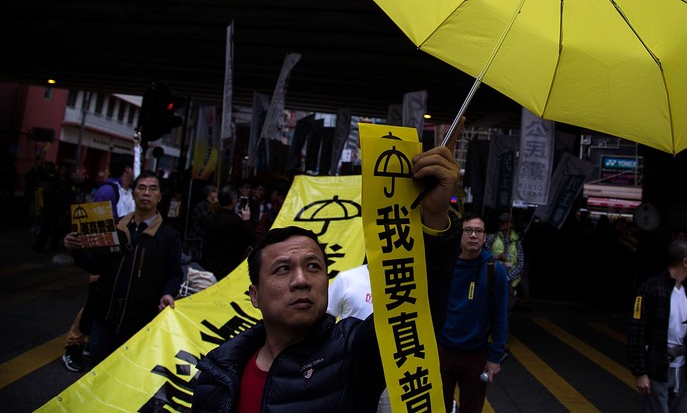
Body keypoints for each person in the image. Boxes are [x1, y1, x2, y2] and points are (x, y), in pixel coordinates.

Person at [192, 137, 462, 413]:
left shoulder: (355, 352)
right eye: (283, 269)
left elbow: (415, 309)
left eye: (313, 267)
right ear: (255, 295)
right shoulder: (217, 374)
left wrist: (434, 219)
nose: (302, 280)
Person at [63, 170, 183, 367]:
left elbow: (174, 274)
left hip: (141, 324)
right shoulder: (116, 227)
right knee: (96, 376)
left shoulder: (169, 236)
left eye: (153, 189)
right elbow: (96, 265)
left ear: (159, 197)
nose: (146, 193)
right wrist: (75, 250)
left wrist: (168, 293)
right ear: (133, 193)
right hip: (105, 318)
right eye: (141, 188)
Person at [61, 153, 135, 373]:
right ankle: (72, 346)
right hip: (106, 260)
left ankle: (86, 344)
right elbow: (101, 230)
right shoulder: (108, 190)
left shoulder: (123, 191)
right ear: (128, 169)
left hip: (118, 259)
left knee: (100, 305)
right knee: (94, 304)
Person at [627, 238, 687, 413]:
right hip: (657, 368)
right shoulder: (651, 289)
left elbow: (685, 329)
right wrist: (640, 372)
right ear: (686, 262)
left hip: (682, 369)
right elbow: (637, 332)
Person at [438, 212, 509, 413]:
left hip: (476, 355)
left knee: (472, 408)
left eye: (479, 231)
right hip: (443, 351)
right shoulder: (446, 266)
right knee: (437, 407)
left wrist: (495, 357)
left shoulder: (494, 270)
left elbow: (500, 316)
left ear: (485, 237)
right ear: (460, 235)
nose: (473, 236)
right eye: (468, 230)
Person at [326, 261, 392, 413]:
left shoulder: (402, 284)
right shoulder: (347, 279)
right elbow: (326, 319)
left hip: (390, 374)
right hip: (348, 373)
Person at [200, 186, 255, 281]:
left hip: (209, 265)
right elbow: (250, 239)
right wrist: (246, 221)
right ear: (233, 201)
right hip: (229, 268)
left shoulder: (211, 218)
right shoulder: (236, 222)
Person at [484, 211, 524, 311]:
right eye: (500, 221)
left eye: (504, 222)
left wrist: (508, 277)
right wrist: (497, 257)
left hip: (509, 282)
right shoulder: (491, 238)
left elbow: (520, 262)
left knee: (506, 310)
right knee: (490, 309)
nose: (501, 223)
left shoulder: (517, 242)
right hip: (493, 279)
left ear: (510, 224)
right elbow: (485, 257)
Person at [187, 183, 218, 261]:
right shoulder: (201, 206)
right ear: (210, 193)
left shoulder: (214, 206)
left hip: (207, 241)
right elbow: (208, 221)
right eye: (215, 192)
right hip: (198, 239)